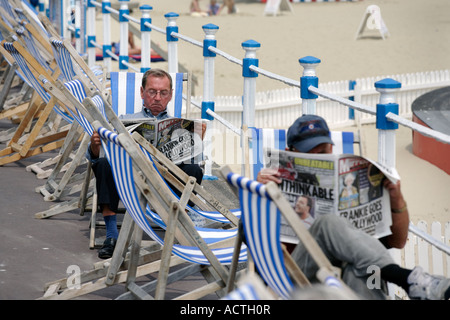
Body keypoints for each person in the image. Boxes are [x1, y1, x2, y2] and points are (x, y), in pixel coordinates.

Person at [256, 114, 450, 300]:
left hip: (342, 278)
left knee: (359, 268)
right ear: (291, 152)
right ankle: (406, 279)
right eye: (310, 153)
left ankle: (411, 282)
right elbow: (250, 239)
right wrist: (257, 196)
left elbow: (397, 241)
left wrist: (396, 199)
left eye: (324, 152)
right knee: (328, 224)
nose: (320, 156)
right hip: (296, 277)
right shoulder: (271, 184)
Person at [86, 69, 205, 259]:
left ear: (171, 95)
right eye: (152, 92)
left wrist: (196, 141)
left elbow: (196, 161)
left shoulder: (180, 125)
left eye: (163, 93)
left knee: (194, 170)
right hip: (129, 180)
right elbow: (95, 157)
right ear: (142, 92)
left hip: (165, 181)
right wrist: (94, 146)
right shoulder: (122, 121)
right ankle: (111, 235)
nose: (157, 98)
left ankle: (178, 229)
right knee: (103, 165)